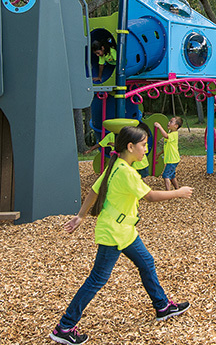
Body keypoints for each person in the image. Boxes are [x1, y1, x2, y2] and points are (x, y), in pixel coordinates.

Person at [47, 126, 194, 345]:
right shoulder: (125, 172)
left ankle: (162, 306)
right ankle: (65, 327)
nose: (146, 149)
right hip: (114, 233)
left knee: (146, 262)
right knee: (97, 279)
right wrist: (179, 192)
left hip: (125, 231)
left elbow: (94, 191)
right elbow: (150, 196)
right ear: (130, 146)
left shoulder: (115, 165)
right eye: (143, 145)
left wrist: (81, 216)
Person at [153, 117, 183, 190]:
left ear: (176, 126)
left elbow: (166, 136)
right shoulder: (171, 134)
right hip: (172, 159)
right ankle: (177, 189)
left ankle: (168, 192)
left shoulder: (174, 134)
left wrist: (159, 127)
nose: (169, 123)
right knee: (172, 176)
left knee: (166, 176)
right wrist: (159, 154)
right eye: (169, 121)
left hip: (172, 160)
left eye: (171, 122)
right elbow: (166, 147)